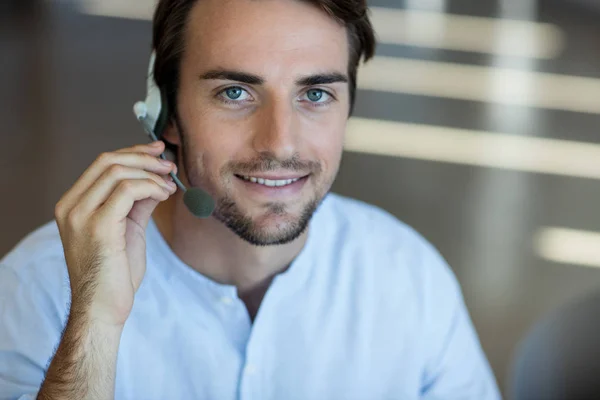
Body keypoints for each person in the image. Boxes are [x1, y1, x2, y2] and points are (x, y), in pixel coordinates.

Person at [0, 0, 501, 399]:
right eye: (235, 93)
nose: (280, 143)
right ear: (165, 112)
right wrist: (94, 325)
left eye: (316, 94)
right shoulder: (39, 288)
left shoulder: (409, 275)